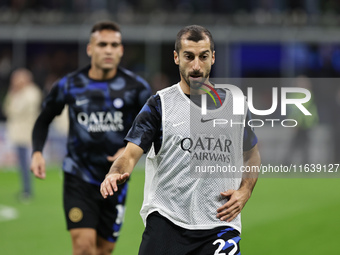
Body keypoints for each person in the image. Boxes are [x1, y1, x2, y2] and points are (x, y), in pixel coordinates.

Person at [100, 25, 261, 254]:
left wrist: (245, 190)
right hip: (167, 222)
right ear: (176, 57)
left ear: (213, 57)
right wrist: (114, 172)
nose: (196, 65)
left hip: (220, 225)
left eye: (203, 56)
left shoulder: (235, 105)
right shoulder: (159, 106)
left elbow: (252, 155)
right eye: (189, 56)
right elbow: (129, 154)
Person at [30, 21, 151, 255]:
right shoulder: (70, 85)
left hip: (116, 179)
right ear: (90, 49)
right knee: (84, 247)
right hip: (79, 175)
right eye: (102, 44)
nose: (108, 50)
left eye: (114, 45)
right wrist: (37, 152)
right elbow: (44, 118)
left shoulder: (137, 88)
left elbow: (153, 129)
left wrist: (128, 150)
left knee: (104, 250)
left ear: (121, 50)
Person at [3, 68, 41, 202]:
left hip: (26, 133)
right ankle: (25, 189)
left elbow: (18, 110)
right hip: (17, 133)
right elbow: (7, 109)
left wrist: (15, 93)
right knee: (21, 163)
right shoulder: (16, 92)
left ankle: (27, 191)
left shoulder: (31, 92)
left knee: (25, 164)